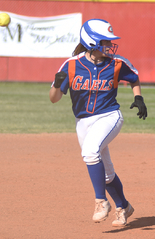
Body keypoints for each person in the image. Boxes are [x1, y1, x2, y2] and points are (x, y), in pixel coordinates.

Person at [49, 19, 147, 227]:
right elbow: (54, 98)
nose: (109, 45)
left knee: (90, 152)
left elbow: (134, 78)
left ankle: (101, 202)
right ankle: (124, 207)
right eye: (105, 41)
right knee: (105, 172)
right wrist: (57, 85)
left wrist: (138, 98)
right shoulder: (72, 65)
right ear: (91, 42)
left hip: (109, 116)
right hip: (83, 122)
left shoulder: (116, 63)